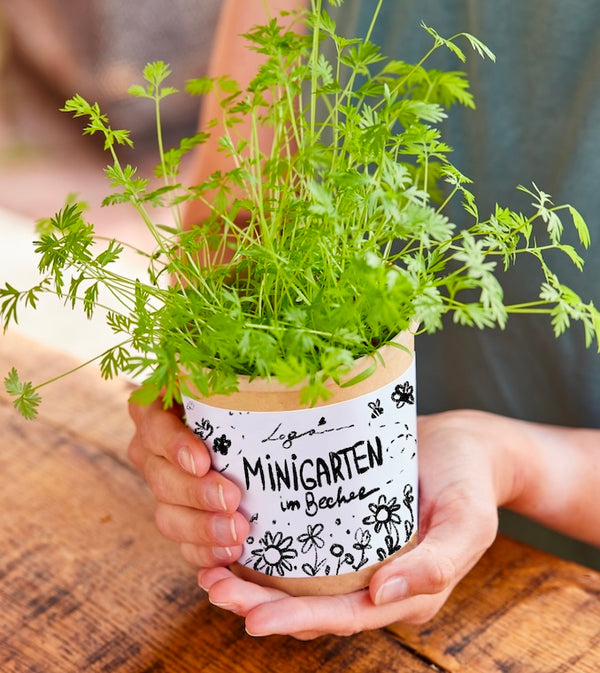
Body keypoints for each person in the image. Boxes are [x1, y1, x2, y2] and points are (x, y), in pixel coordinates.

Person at [127, 0, 600, 639]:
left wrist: (515, 462)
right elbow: (231, 217)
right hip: (256, 572)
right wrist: (192, 392)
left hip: (559, 603)